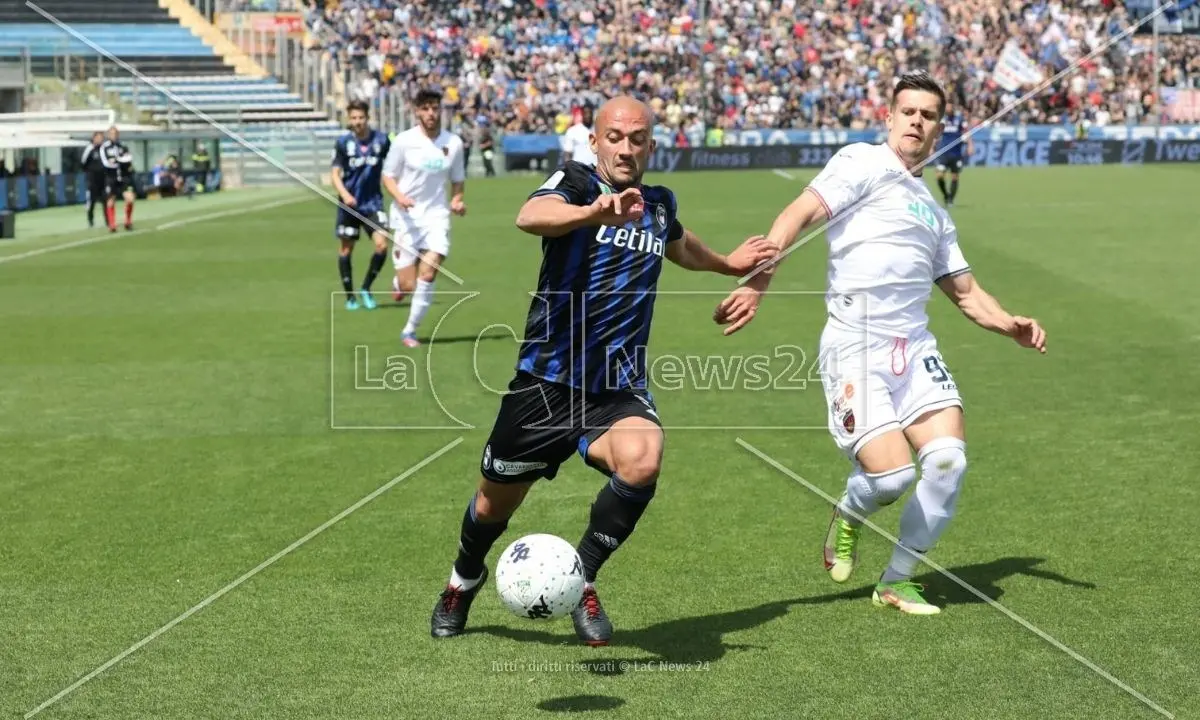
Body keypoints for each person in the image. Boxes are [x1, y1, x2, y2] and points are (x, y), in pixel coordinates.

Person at [428, 96, 775, 644]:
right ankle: (463, 580)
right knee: (492, 505)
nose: (626, 147)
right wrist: (594, 213)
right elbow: (530, 215)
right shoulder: (577, 184)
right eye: (615, 136)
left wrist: (727, 263)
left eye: (637, 138)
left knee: (643, 458)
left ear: (651, 146)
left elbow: (680, 245)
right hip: (546, 383)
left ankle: (581, 579)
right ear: (595, 142)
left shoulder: (658, 204)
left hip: (618, 387)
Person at [714, 71, 1047, 615]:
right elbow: (797, 216)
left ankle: (896, 579)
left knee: (947, 463)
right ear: (888, 117)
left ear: (940, 128)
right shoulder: (861, 163)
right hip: (855, 345)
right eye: (908, 111)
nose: (917, 120)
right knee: (891, 477)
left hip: (914, 349)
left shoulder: (935, 214)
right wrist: (758, 280)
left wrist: (1008, 322)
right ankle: (849, 511)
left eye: (928, 114)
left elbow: (965, 293)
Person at [381, 87, 466, 347]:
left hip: (437, 218)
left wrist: (457, 200)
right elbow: (388, 176)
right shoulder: (404, 141)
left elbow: (458, 180)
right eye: (425, 108)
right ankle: (398, 283)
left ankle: (409, 330)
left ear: (440, 110)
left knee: (427, 274)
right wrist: (399, 197)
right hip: (407, 218)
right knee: (408, 284)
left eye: (434, 108)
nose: (430, 113)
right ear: (417, 111)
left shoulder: (453, 143)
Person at [331, 99, 392, 311]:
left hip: (373, 202)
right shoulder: (343, 143)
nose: (357, 122)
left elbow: (394, 166)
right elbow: (335, 174)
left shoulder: (382, 141)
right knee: (346, 249)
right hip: (349, 205)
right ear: (349, 119)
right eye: (354, 118)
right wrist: (345, 194)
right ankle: (350, 297)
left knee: (382, 245)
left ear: (368, 118)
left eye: (361, 118)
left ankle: (366, 287)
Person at [935, 102, 972, 208]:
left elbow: (966, 132)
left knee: (955, 177)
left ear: (953, 107)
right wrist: (932, 146)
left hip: (956, 152)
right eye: (946, 106)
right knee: (939, 176)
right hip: (943, 152)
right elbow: (937, 133)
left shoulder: (960, 119)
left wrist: (970, 145)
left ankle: (951, 199)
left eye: (950, 106)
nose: (948, 108)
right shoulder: (942, 120)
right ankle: (946, 195)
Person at [99, 126, 135, 232]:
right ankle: (112, 225)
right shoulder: (104, 147)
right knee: (110, 201)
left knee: (130, 199)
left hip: (123, 177)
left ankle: (128, 222)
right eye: (112, 133)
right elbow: (106, 163)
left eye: (116, 133)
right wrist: (119, 161)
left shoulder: (122, 146)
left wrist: (117, 160)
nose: (114, 135)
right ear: (108, 135)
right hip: (111, 177)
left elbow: (128, 159)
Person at [80, 131, 105, 228]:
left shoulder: (103, 149)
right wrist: (90, 172)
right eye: (98, 138)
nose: (100, 140)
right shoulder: (90, 148)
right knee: (92, 201)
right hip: (92, 180)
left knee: (105, 201)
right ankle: (90, 220)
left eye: (101, 138)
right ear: (94, 138)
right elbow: (83, 162)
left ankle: (108, 221)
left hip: (103, 179)